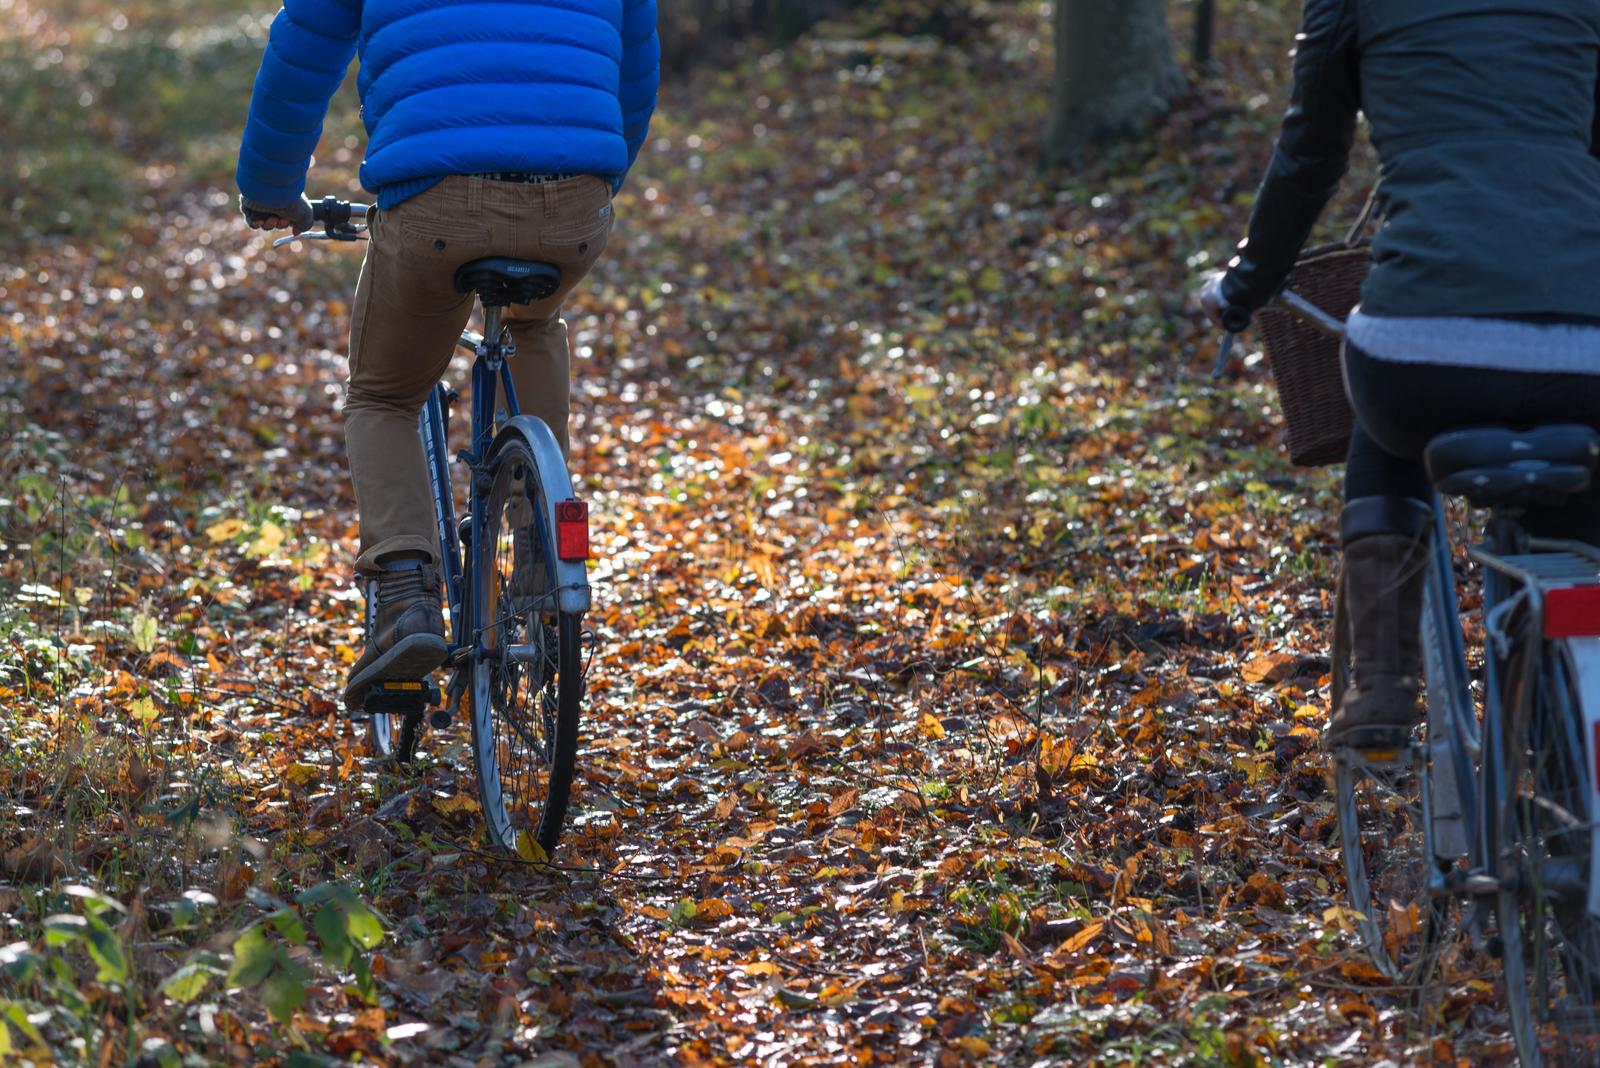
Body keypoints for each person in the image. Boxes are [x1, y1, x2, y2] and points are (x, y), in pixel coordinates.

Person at [233, 0, 660, 711]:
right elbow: (637, 67)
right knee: (533, 324)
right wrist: (593, 175)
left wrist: (270, 190)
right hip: (576, 201)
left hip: (436, 198)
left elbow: (303, 49)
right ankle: (539, 555)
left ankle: (405, 596)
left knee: (384, 394)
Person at [1199, 0, 1600, 749]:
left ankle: (1383, 682)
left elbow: (1310, 156)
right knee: (1580, 490)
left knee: (1377, 408)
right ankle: (1569, 747)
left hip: (1427, 341)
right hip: (1588, 338)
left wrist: (1245, 286)